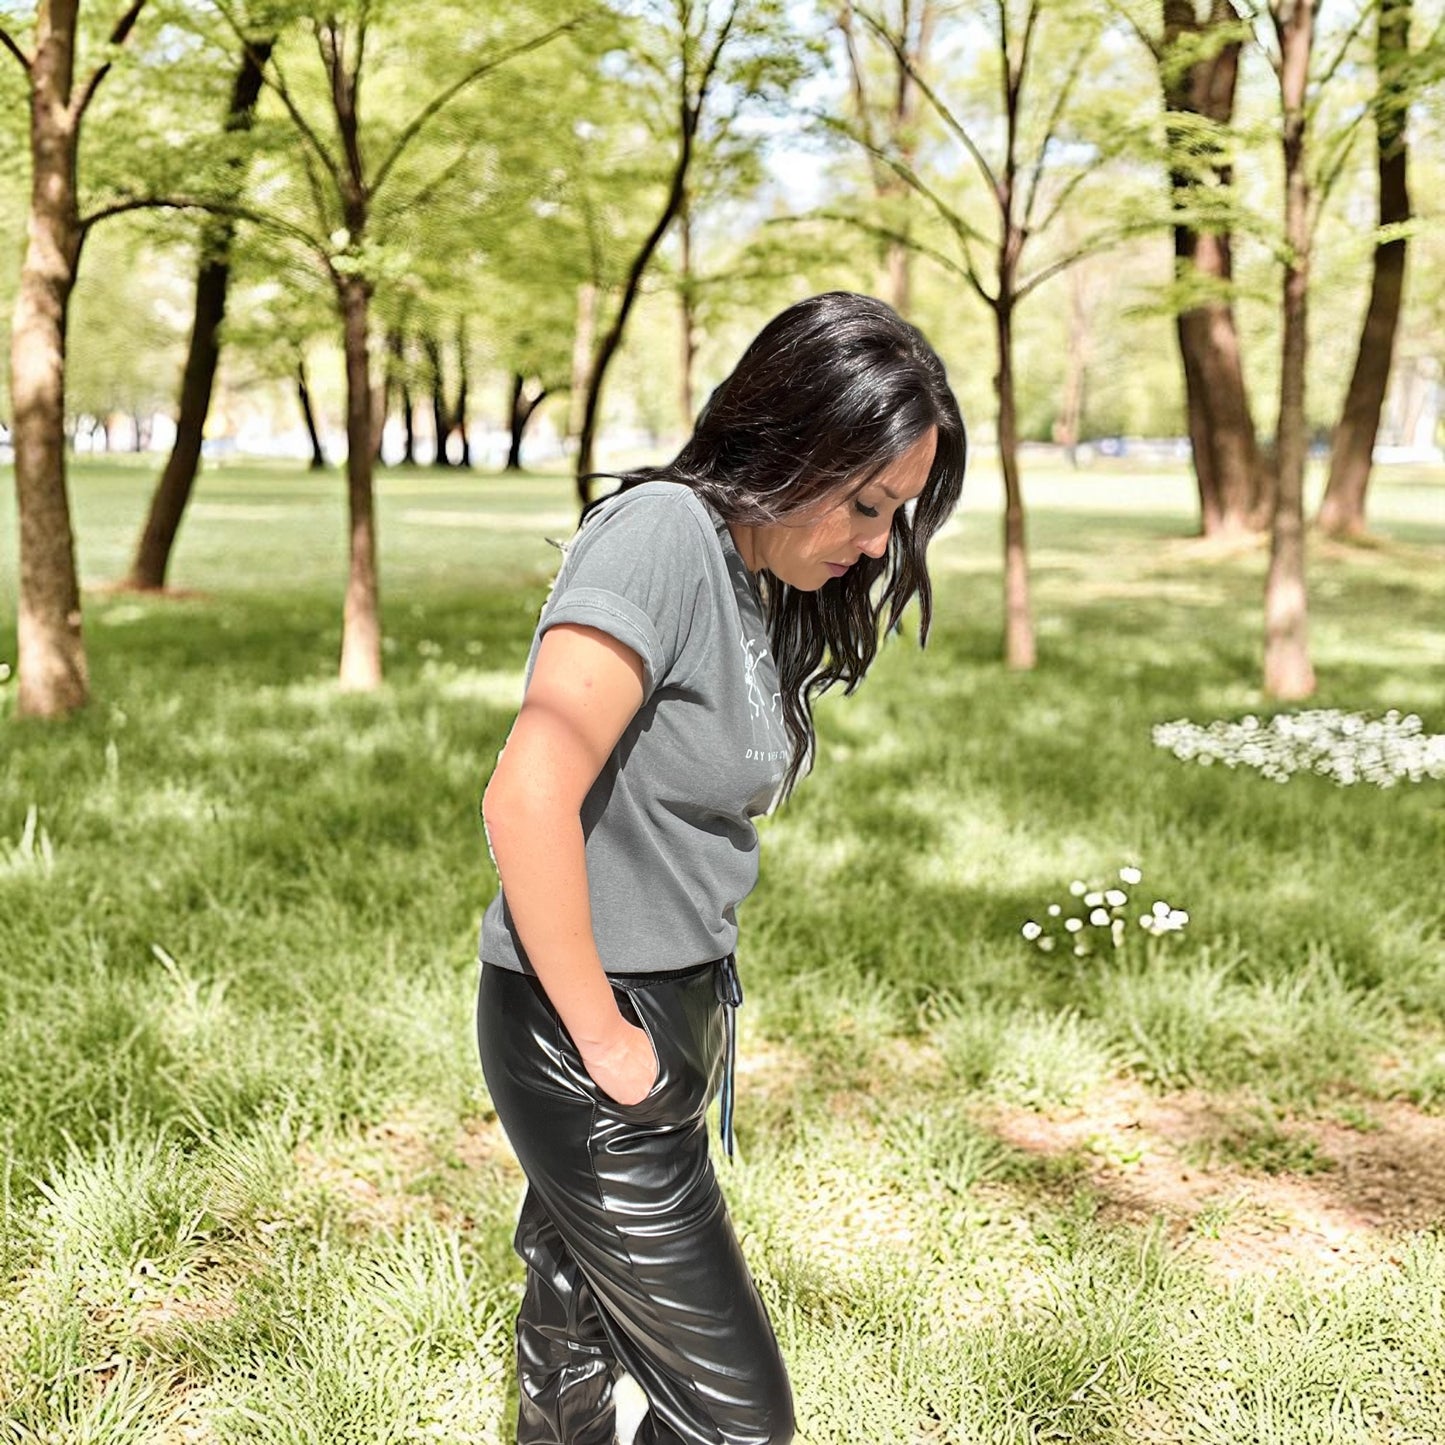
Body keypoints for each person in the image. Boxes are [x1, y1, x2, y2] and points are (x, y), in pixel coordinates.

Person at [476, 291, 966, 1445]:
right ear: (792, 438)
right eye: (863, 501)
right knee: (739, 1420)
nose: (876, 542)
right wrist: (605, 1041)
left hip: (666, 1018)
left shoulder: (749, 577)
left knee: (574, 1323)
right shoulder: (661, 535)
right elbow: (527, 790)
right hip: (587, 1030)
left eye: (895, 513)